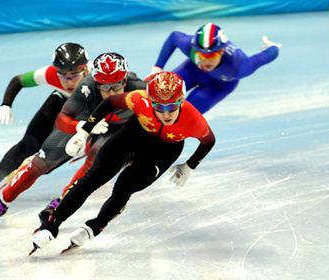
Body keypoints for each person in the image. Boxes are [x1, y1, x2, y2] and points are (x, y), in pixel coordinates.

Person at [31, 71, 216, 252]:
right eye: (159, 107)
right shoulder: (139, 99)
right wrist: (84, 131)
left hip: (164, 150)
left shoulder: (194, 120)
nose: (166, 114)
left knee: (125, 185)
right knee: (92, 178)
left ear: (181, 102)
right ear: (150, 101)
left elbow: (209, 141)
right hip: (133, 135)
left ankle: (95, 226)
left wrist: (190, 165)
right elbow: (110, 102)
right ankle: (51, 225)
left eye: (171, 107)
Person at [0, 53, 147, 227]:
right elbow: (62, 118)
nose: (110, 93)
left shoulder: (141, 90)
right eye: (103, 87)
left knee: (96, 159)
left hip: (118, 128)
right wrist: (79, 127)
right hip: (87, 119)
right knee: (40, 162)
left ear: (124, 81)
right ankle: (2, 203)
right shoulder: (86, 86)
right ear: (95, 82)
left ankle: (62, 201)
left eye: (115, 86)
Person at [0, 43, 90, 202]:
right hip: (61, 99)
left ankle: (39, 161)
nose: (69, 82)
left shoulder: (99, 79)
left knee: (56, 153)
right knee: (28, 143)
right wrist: (5, 105)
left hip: (89, 109)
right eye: (63, 75)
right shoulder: (50, 73)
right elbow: (18, 80)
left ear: (85, 70)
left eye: (74, 75)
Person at [145, 23, 281, 114]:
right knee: (155, 95)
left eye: (212, 54)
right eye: (202, 55)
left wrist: (272, 47)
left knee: (182, 115)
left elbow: (270, 55)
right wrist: (157, 69)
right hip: (193, 70)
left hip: (219, 85)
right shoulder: (190, 46)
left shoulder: (240, 66)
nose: (206, 60)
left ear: (222, 51)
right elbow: (173, 37)